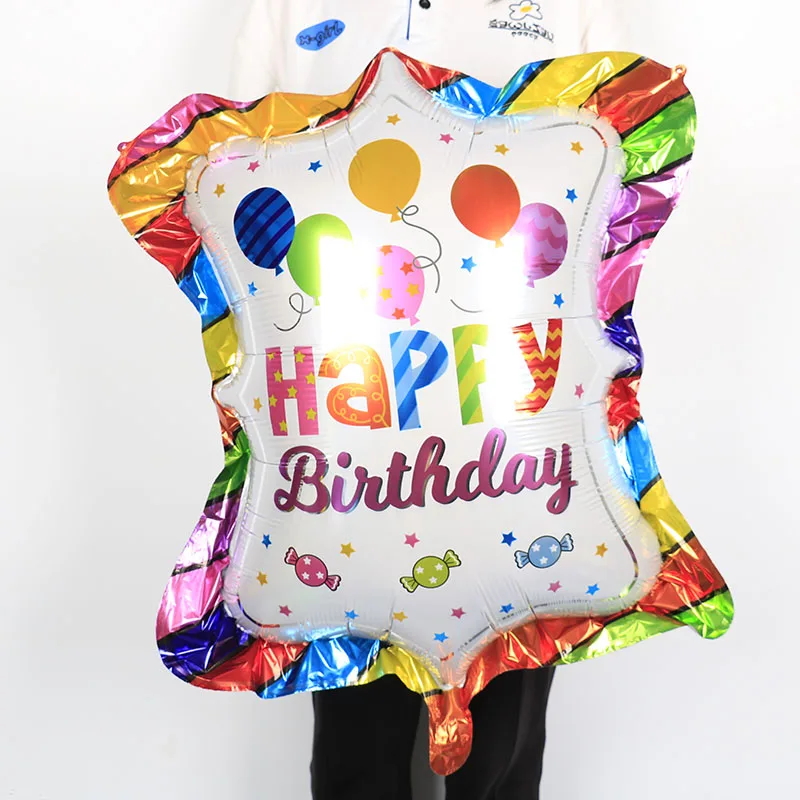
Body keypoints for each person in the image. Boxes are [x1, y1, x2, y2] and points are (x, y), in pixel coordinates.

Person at [230, 3, 632, 798]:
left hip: (518, 455)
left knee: (503, 752)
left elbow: (614, 197)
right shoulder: (283, 10)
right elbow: (236, 178)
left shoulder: (573, 8)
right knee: (353, 752)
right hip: (347, 452)